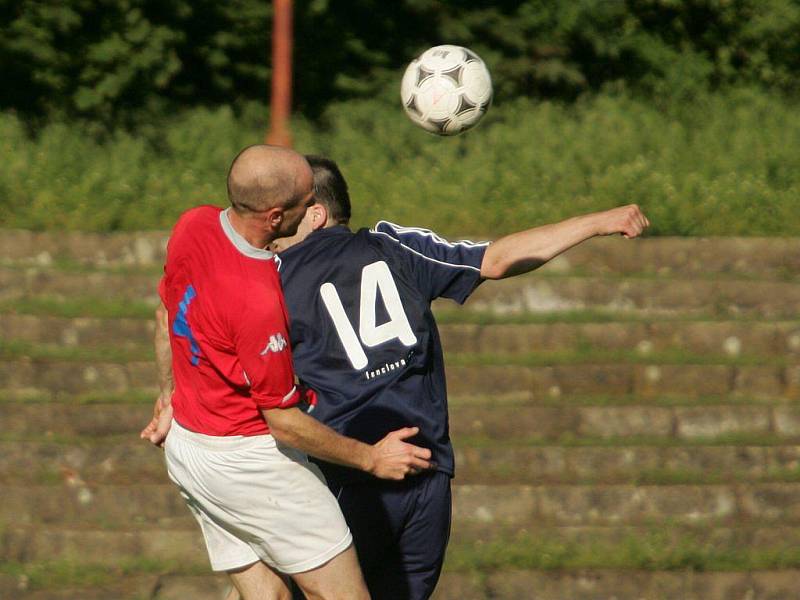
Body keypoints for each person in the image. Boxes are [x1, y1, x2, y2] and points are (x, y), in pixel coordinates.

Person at [267, 155, 651, 600]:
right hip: (427, 478)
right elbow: (498, 259)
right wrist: (597, 222)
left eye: (283, 212)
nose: (272, 226)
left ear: (316, 214)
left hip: (351, 478)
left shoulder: (271, 282)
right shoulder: (392, 245)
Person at [140, 145, 433, 600]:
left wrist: (168, 399)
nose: (315, 204)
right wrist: (372, 458)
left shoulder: (192, 223)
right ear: (276, 217)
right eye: (305, 199)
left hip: (188, 450)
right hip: (248, 462)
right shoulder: (258, 299)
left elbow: (166, 317)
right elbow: (284, 422)